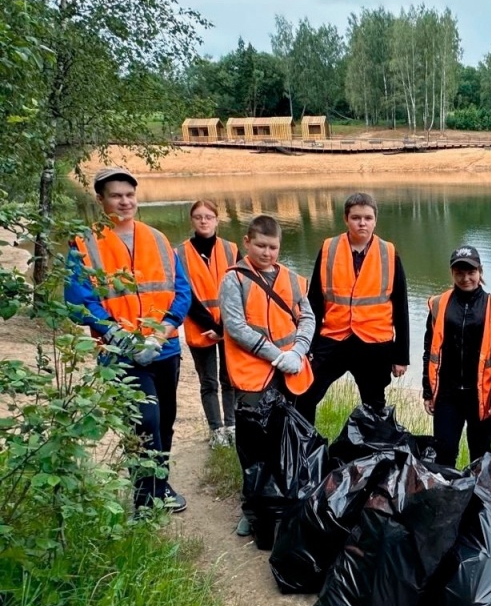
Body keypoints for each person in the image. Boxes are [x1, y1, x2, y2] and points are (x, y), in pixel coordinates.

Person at [65, 167, 192, 513]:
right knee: (144, 421)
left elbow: (182, 291)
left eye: (129, 195)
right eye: (116, 196)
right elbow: (77, 299)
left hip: (164, 348)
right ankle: (144, 499)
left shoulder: (158, 239)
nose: (125, 201)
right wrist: (117, 335)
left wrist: (161, 332)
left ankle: (161, 486)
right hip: (119, 352)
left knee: (164, 420)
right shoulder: (84, 243)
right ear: (101, 200)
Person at [219, 214, 315, 536]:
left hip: (289, 373)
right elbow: (236, 327)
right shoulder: (234, 280)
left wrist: (297, 352)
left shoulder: (292, 279)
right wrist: (276, 355)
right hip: (253, 377)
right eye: (261, 246)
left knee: (284, 440)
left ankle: (285, 503)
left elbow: (308, 318)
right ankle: (252, 508)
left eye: (273, 247)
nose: (267, 253)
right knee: (252, 445)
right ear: (247, 242)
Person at [297, 192, 409, 425]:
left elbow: (401, 307)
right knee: (305, 394)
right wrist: (308, 345)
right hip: (333, 338)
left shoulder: (389, 252)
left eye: (368, 218)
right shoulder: (328, 248)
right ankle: (304, 445)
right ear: (346, 219)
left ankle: (374, 447)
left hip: (374, 344)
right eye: (356, 217)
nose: (362, 223)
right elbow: (314, 302)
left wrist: (401, 356)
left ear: (375, 220)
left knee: (374, 407)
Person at [422, 246, 491, 466]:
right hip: (448, 394)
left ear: (480, 271)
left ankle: (476, 489)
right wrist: (428, 391)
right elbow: (429, 350)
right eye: (459, 273)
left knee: (480, 455)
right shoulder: (438, 304)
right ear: (452, 273)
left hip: (482, 395)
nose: (466, 278)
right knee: (444, 453)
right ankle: (447, 488)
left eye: (471, 272)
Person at [175, 200, 238, 448]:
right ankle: (216, 430)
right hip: (199, 326)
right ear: (192, 220)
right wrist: (210, 324)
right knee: (208, 382)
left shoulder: (231, 250)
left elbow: (242, 288)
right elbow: (184, 293)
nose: (204, 221)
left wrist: (223, 326)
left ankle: (232, 425)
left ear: (217, 220)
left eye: (208, 217)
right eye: (198, 217)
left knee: (230, 379)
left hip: (228, 326)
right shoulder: (179, 253)